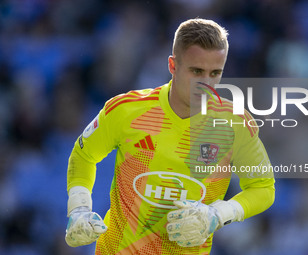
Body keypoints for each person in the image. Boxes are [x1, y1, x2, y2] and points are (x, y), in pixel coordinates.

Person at [65, 18, 275, 254]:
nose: (206, 83)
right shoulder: (126, 110)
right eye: (196, 71)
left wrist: (217, 214)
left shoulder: (234, 122)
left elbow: (263, 187)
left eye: (215, 73)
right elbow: (84, 155)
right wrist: (79, 208)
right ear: (172, 65)